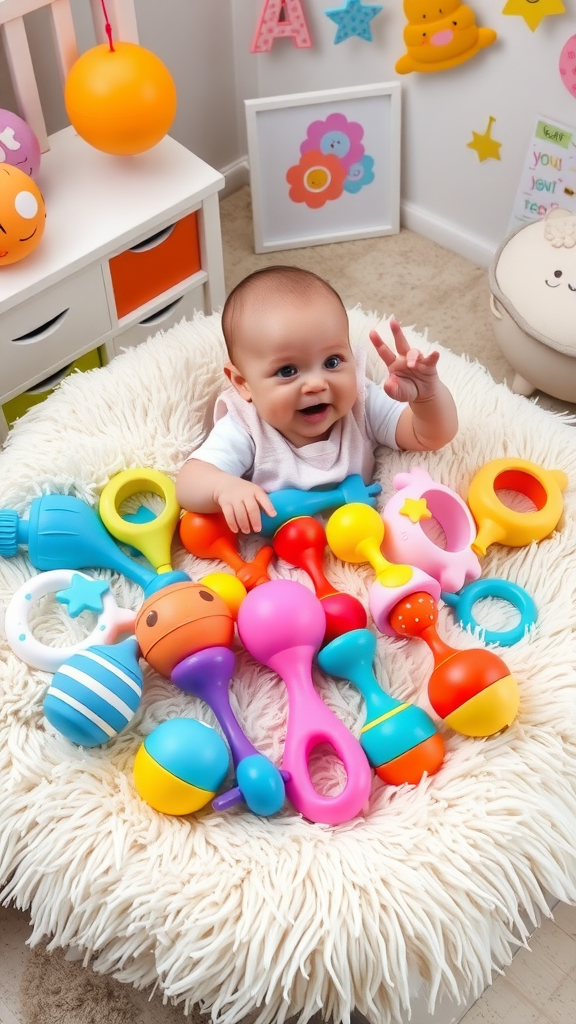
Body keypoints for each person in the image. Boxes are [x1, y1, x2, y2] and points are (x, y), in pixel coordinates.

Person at [176, 266, 458, 534]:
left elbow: (428, 437)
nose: (316, 384)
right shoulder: (246, 426)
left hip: (357, 542)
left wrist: (426, 397)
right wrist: (223, 488)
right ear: (243, 384)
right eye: (287, 371)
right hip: (282, 552)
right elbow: (188, 483)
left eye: (332, 361)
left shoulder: (360, 401)